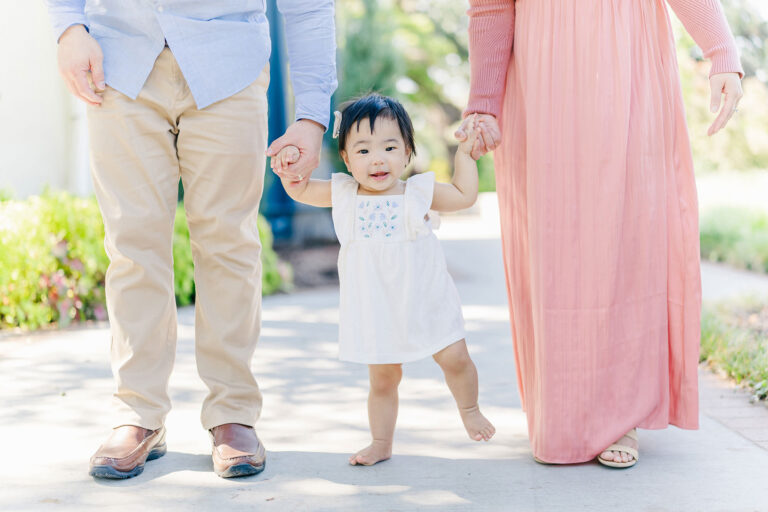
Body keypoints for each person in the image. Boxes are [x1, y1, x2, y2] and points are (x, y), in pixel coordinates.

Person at [46, 0, 337, 479]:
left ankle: (233, 411)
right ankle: (137, 413)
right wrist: (68, 27)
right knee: (132, 245)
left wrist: (310, 115)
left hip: (229, 64)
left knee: (228, 244)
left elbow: (308, 7)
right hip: (116, 63)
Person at [455, 0, 744, 468]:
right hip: (541, 78)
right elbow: (490, 7)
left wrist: (721, 51)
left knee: (627, 234)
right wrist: (483, 103)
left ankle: (620, 413)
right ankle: (564, 406)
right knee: (556, 245)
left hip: (629, 64)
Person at [272, 94, 496, 466]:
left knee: (455, 358)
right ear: (346, 159)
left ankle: (470, 408)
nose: (377, 158)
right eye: (362, 151)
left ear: (407, 152)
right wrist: (290, 166)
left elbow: (462, 195)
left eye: (389, 147)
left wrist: (465, 156)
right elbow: (299, 189)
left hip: (425, 299)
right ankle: (381, 442)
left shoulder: (418, 193)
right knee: (384, 379)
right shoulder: (342, 194)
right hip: (376, 307)